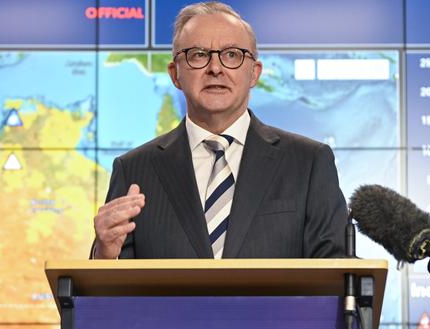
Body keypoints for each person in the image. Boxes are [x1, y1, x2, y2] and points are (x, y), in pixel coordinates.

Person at [91, 1, 347, 259]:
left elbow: (338, 279)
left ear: (254, 73)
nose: (215, 68)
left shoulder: (308, 163)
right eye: (199, 55)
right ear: (175, 74)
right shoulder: (134, 170)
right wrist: (104, 255)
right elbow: (109, 290)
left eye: (232, 54)